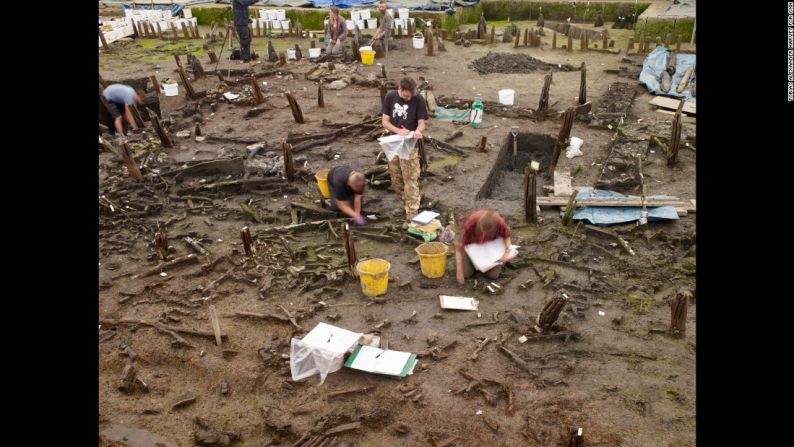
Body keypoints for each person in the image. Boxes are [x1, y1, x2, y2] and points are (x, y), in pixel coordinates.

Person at [381, 76, 428, 220]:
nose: (408, 99)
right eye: (406, 96)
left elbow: (422, 123)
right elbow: (385, 121)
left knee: (410, 177)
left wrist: (418, 131)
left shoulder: (418, 99)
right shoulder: (390, 96)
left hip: (409, 143)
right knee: (396, 177)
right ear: (399, 89)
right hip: (393, 141)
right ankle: (404, 204)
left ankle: (412, 212)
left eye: (410, 96)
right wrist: (398, 131)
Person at [453, 209, 513, 284]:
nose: (484, 235)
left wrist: (507, 252)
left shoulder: (500, 222)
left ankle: (478, 265)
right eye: (481, 231)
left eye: (488, 233)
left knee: (493, 276)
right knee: (466, 274)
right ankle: (471, 261)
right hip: (470, 246)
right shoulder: (470, 223)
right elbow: (458, 247)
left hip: (490, 248)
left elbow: (507, 236)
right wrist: (459, 272)